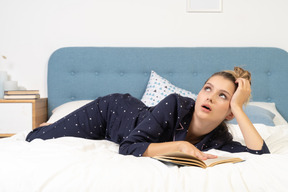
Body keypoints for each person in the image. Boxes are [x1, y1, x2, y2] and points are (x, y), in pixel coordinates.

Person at [26, 67, 270, 160]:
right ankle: (50, 124)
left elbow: (260, 154)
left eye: (223, 96)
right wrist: (179, 147)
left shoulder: (219, 138)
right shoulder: (176, 104)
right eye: (207, 89)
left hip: (124, 124)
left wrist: (238, 107)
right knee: (36, 138)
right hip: (110, 114)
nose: (210, 97)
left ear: (229, 113)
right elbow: (128, 146)